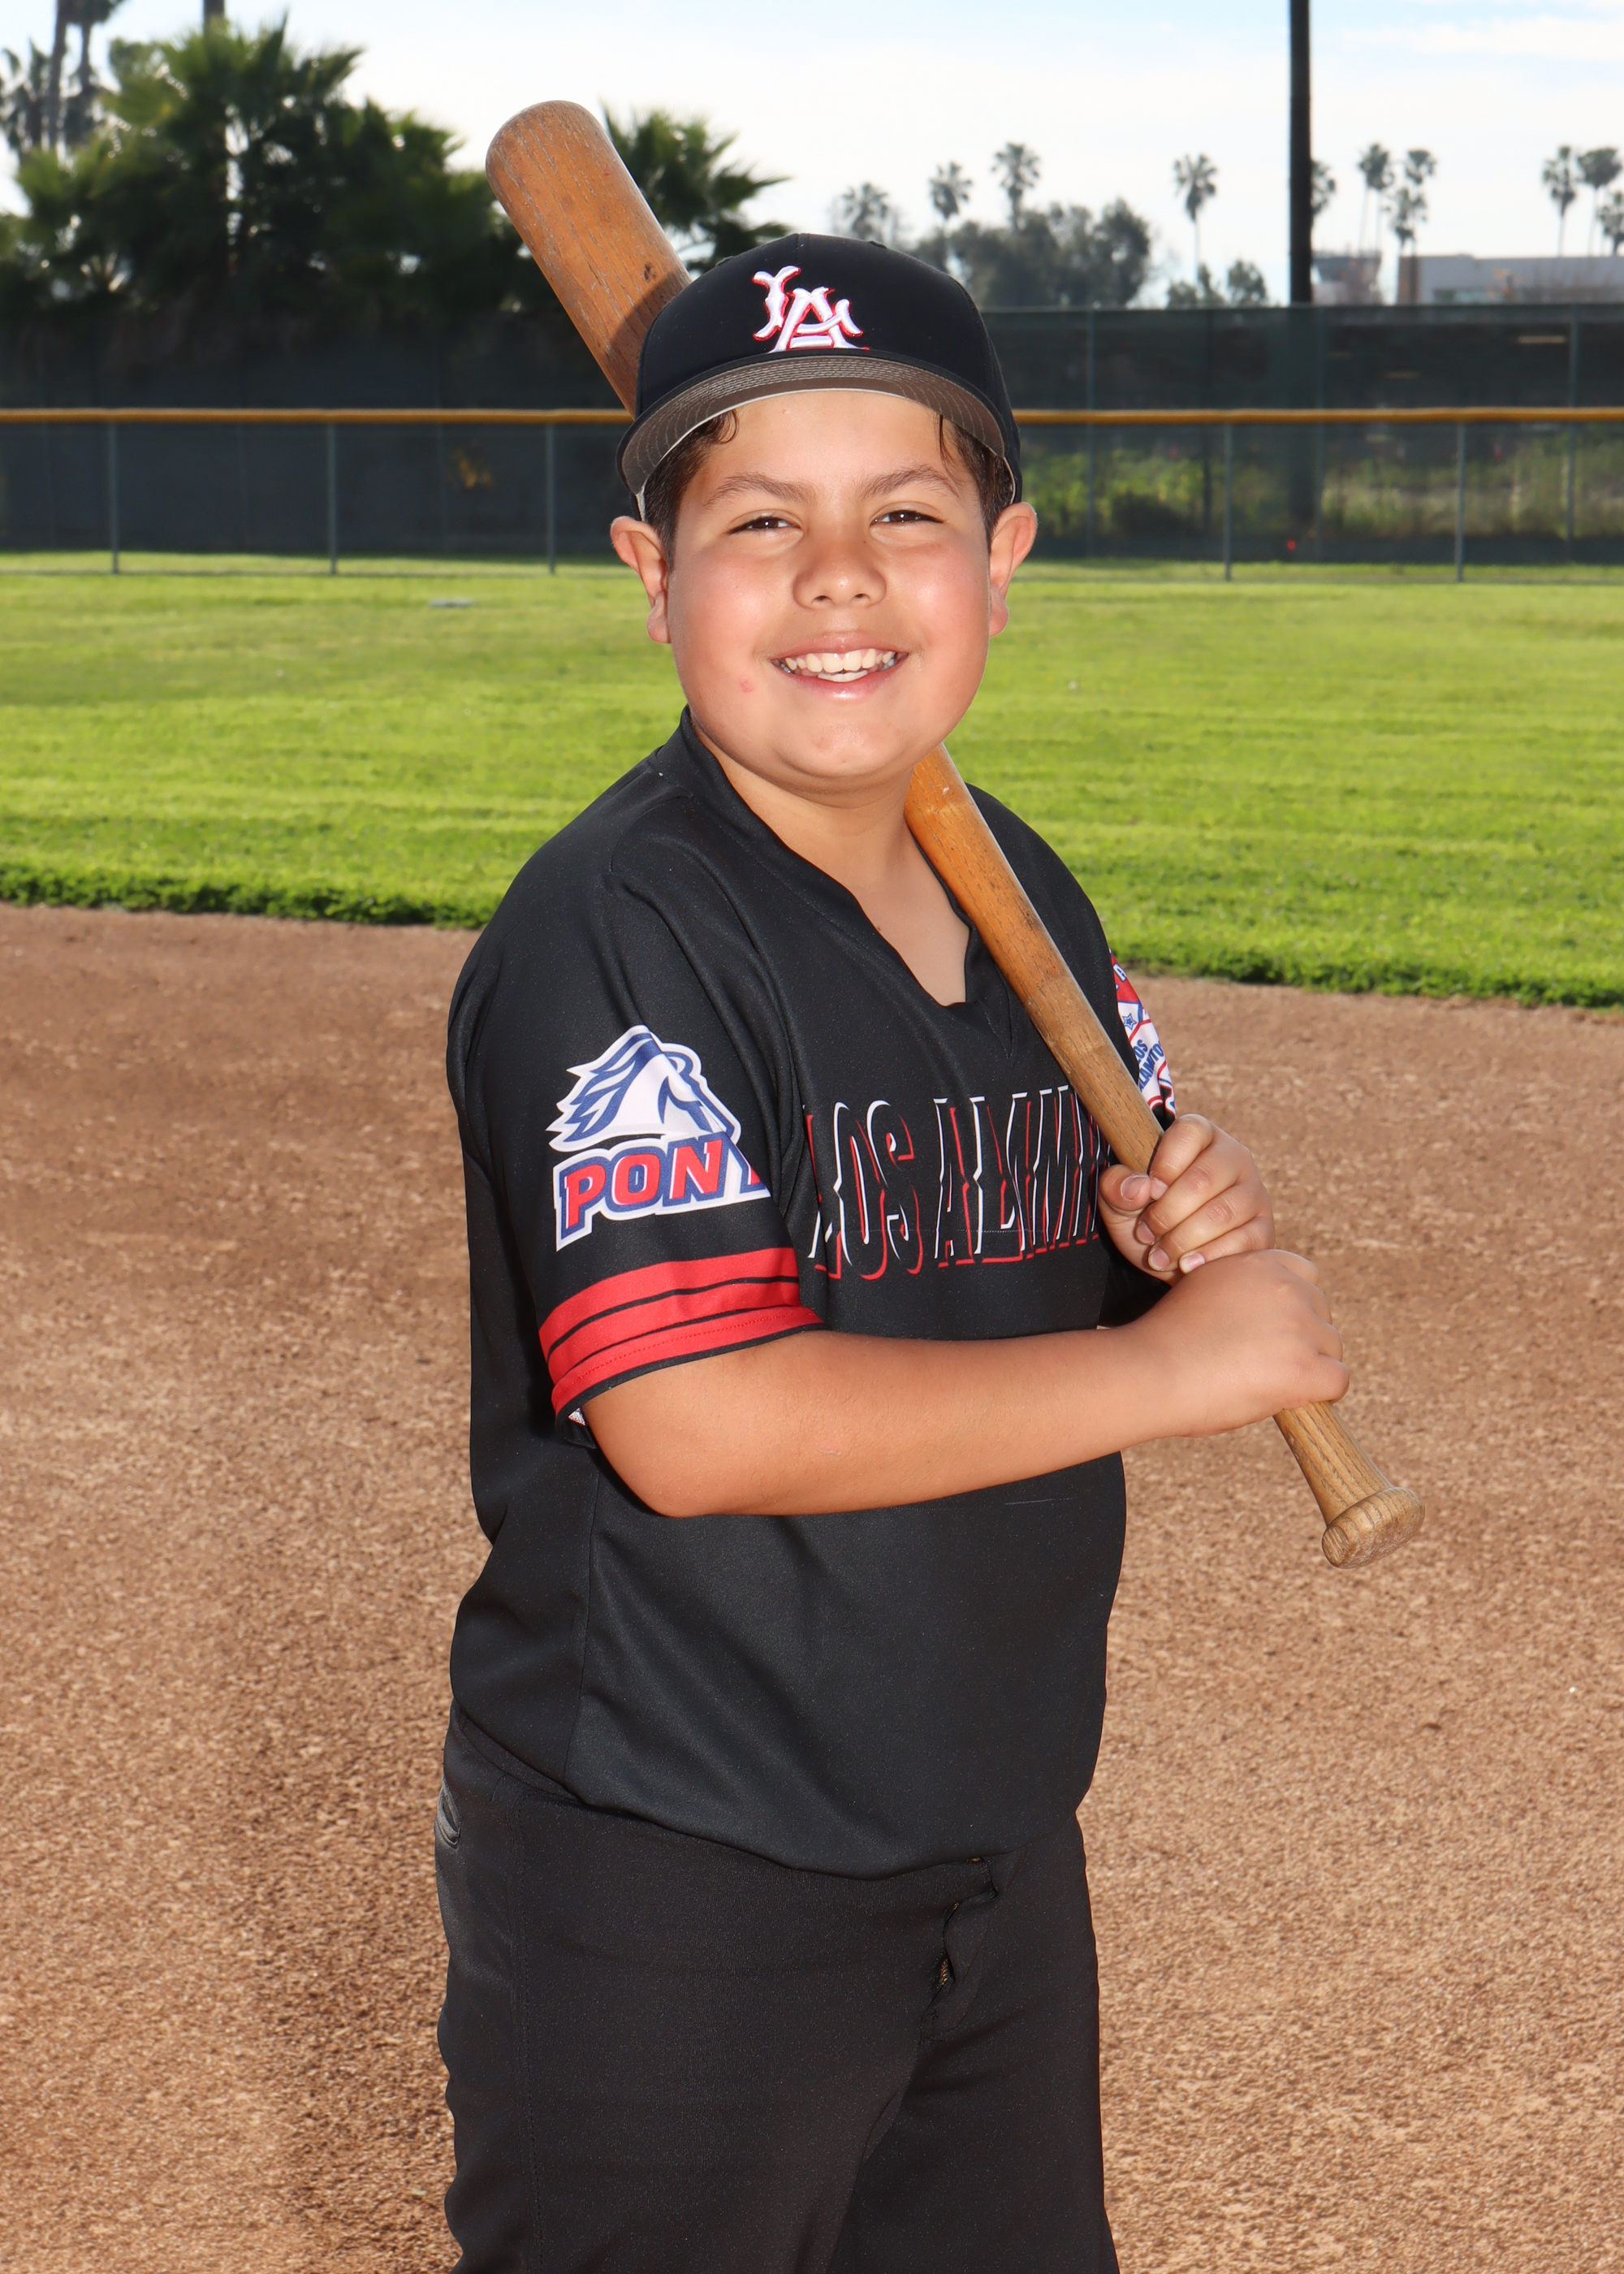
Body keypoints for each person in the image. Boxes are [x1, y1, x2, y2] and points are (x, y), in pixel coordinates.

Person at [437, 235, 1346, 2274]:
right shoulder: (621, 932)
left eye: (905, 518)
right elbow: (695, 1418)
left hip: (986, 1831)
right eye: (761, 522)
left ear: (1002, 559)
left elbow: (1037, 1253)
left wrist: (1153, 1247)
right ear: (651, 576)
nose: (837, 579)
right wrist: (1170, 1369)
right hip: (679, 1864)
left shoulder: (1019, 885)